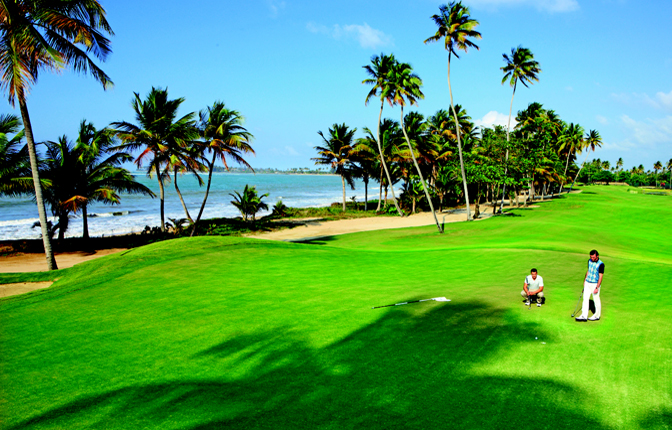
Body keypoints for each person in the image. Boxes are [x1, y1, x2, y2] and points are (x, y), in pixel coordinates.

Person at [575, 250, 604, 322]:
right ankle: (584, 316)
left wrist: (597, 287)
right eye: (591, 257)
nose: (592, 258)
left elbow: (600, 277)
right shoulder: (589, 261)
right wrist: (585, 280)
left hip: (595, 284)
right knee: (585, 299)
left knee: (596, 300)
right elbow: (588, 271)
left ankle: (597, 315)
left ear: (597, 256)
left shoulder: (601, 264)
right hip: (588, 283)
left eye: (593, 257)